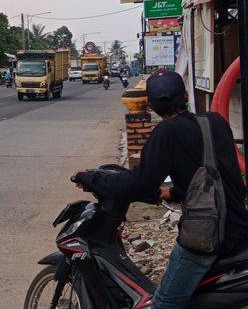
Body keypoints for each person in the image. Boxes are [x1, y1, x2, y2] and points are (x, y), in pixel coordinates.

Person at [72, 70, 248, 308]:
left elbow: (139, 183)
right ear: (185, 95)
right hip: (239, 228)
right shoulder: (215, 122)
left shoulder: (165, 133)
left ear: (151, 106)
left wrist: (92, 178)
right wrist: (172, 193)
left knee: (163, 303)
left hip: (208, 240)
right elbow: (213, 179)